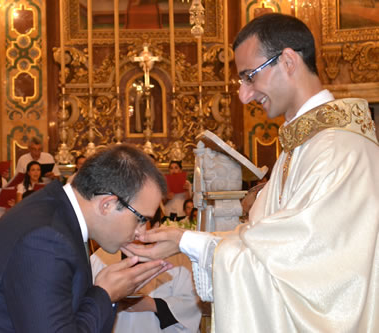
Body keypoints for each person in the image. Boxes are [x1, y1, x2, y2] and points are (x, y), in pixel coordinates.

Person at [125, 13, 379, 332]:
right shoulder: (303, 145)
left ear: (288, 61)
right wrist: (181, 240)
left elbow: (301, 268)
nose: (244, 95)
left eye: (250, 77)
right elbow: (261, 242)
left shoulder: (338, 151)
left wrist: (188, 241)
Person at [0, 144, 171, 333]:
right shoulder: (46, 240)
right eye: (141, 219)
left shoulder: (55, 214)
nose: (141, 233)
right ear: (107, 204)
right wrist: (105, 295)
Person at [91, 214, 202, 333]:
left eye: (141, 221)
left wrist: (153, 305)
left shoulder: (177, 259)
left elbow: (191, 304)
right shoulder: (100, 257)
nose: (132, 229)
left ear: (155, 225)